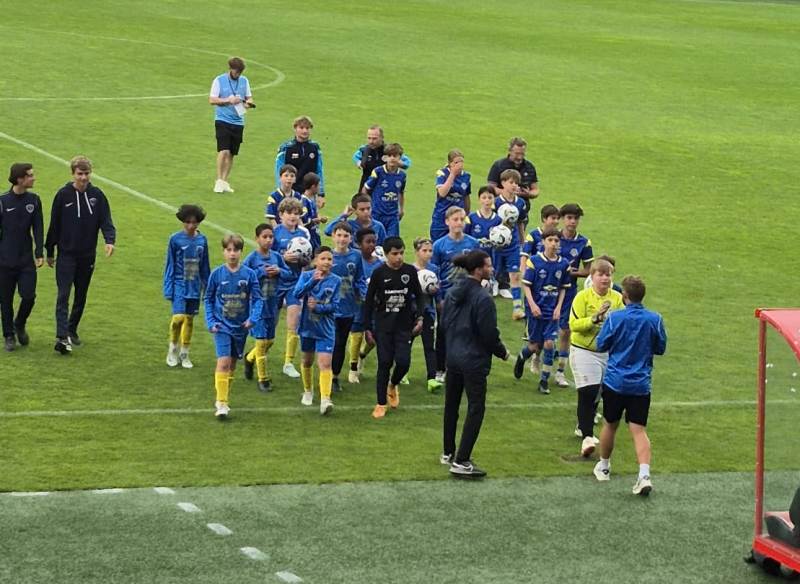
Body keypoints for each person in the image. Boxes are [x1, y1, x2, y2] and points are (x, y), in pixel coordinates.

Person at [592, 276, 667, 496]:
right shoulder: (655, 319)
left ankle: (604, 466)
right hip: (640, 384)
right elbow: (660, 348)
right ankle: (644, 475)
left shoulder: (615, 318)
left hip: (615, 382)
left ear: (624, 295)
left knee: (610, 424)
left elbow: (601, 344)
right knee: (638, 430)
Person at [441, 250, 509, 478]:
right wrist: (502, 352)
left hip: (453, 356)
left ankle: (447, 452)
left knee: (451, 405)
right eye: (488, 265)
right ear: (478, 270)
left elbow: (444, 325)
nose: (491, 268)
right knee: (475, 408)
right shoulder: (483, 298)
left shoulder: (452, 292)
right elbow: (489, 334)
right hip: (473, 360)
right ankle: (462, 460)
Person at [45, 156, 116, 355]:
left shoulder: (97, 195)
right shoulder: (63, 195)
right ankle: (62, 336)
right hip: (66, 255)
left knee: (81, 294)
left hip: (87, 255)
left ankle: (72, 329)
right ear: (73, 174)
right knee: (63, 294)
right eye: (80, 174)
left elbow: (106, 220)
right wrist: (50, 251)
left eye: (86, 173)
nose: (83, 178)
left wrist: (109, 240)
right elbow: (54, 224)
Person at [362, 236, 426, 419]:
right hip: (383, 326)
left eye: (401, 253)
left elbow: (419, 296)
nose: (399, 257)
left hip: (404, 326)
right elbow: (368, 301)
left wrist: (420, 318)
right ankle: (380, 403)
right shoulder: (379, 273)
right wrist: (367, 328)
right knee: (384, 363)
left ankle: (393, 384)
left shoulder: (409, 271)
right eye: (395, 254)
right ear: (386, 254)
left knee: (404, 362)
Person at [568, 260, 624, 457]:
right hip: (583, 350)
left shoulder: (617, 298)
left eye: (608, 274)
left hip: (607, 352)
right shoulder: (582, 297)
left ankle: (582, 425)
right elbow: (574, 325)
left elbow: (622, 323)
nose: (605, 278)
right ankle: (587, 438)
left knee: (601, 393)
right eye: (601, 274)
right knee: (588, 391)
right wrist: (594, 319)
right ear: (592, 277)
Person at [204, 234, 263, 419]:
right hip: (221, 326)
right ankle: (222, 403)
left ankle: (223, 396)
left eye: (235, 250)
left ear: (240, 252)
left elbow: (258, 299)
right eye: (228, 250)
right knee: (223, 362)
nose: (232, 254)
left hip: (240, 327)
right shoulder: (216, 274)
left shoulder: (249, 274)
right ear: (223, 252)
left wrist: (253, 319)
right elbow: (208, 299)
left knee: (232, 365)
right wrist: (211, 321)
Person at [512, 228, 571, 394]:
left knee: (549, 343)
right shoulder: (534, 262)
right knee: (535, 345)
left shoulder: (564, 264)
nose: (553, 243)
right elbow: (526, 286)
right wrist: (532, 305)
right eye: (550, 240)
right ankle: (522, 356)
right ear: (543, 242)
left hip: (552, 311)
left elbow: (563, 288)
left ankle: (544, 381)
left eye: (556, 241)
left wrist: (559, 307)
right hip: (536, 310)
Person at [432, 207, 480, 383]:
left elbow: (478, 269)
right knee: (443, 333)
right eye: (455, 219)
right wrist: (439, 299)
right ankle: (440, 369)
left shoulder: (473, 243)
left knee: (468, 332)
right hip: (447, 297)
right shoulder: (439, 245)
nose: (459, 223)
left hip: (468, 296)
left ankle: (463, 368)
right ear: (447, 222)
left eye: (462, 219)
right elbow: (434, 274)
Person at [487, 137, 540, 296]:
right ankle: (494, 281)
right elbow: (490, 187)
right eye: (517, 153)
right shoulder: (499, 166)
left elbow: (535, 191)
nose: (519, 156)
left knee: (512, 257)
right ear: (510, 150)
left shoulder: (529, 167)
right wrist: (506, 191)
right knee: (497, 255)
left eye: (522, 153)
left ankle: (504, 285)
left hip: (517, 222)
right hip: (498, 227)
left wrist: (526, 194)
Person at [242, 224, 291, 392]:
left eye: (271, 237)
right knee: (262, 342)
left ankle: (249, 358)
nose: (268, 240)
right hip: (257, 306)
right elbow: (243, 278)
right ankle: (263, 379)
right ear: (257, 239)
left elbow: (289, 274)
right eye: (265, 237)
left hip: (273, 304)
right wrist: (262, 273)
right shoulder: (252, 258)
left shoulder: (277, 257)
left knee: (269, 341)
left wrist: (279, 271)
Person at [0, 163, 43, 351]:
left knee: (29, 296)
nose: (34, 178)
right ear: (20, 179)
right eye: (30, 175)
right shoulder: (3, 201)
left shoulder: (34, 200)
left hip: (25, 260)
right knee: (5, 300)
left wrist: (39, 252)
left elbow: (38, 227)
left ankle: (19, 323)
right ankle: (9, 335)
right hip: (4, 260)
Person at [163, 204, 211, 369]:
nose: (191, 225)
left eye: (194, 222)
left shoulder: (202, 240)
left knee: (189, 319)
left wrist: (207, 288)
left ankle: (184, 353)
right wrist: (168, 287)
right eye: (188, 222)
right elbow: (170, 264)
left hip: (195, 286)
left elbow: (205, 266)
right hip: (179, 284)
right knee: (178, 318)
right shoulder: (175, 239)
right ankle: (172, 349)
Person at [294, 246, 341, 414]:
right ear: (315, 260)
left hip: (326, 329)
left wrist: (318, 308)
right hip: (307, 327)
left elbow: (335, 305)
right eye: (323, 258)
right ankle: (308, 391)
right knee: (307, 361)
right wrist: (312, 282)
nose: (326, 262)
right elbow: (297, 294)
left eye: (329, 259)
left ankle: (325, 399)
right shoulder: (307, 276)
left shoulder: (336, 280)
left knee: (325, 364)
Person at [272, 198, 311, 378]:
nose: (293, 217)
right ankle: (255, 354)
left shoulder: (303, 234)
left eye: (296, 213)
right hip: (275, 283)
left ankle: (288, 362)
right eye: (289, 213)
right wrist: (283, 258)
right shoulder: (274, 233)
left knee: (293, 323)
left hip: (295, 283)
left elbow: (309, 259)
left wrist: (303, 260)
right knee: (270, 324)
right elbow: (267, 256)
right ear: (281, 215)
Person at [555, 203, 594, 387]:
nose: (572, 222)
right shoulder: (552, 238)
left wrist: (573, 272)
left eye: (575, 218)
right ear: (563, 219)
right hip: (547, 290)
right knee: (544, 334)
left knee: (566, 330)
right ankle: (537, 357)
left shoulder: (583, 243)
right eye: (569, 218)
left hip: (569, 291)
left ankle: (560, 371)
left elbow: (589, 270)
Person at [329, 222, 366, 392]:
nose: (342, 239)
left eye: (346, 236)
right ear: (333, 236)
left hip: (349, 308)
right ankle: (327, 375)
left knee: (341, 343)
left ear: (351, 238)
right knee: (331, 343)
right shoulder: (327, 257)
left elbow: (359, 279)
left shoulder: (356, 256)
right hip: (329, 309)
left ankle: (334, 376)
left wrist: (364, 294)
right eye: (339, 235)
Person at [209, 57, 254, 194]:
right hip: (222, 120)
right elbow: (212, 100)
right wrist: (228, 100)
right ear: (230, 69)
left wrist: (248, 103)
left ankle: (224, 181)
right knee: (224, 150)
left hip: (238, 121)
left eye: (240, 72)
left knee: (232, 154)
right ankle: (218, 180)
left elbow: (249, 97)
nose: (238, 74)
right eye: (236, 72)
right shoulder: (219, 80)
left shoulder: (244, 81)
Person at [347, 228, 383, 383]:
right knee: (356, 335)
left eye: (374, 242)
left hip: (374, 307)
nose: (371, 245)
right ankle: (353, 368)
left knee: (373, 339)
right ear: (359, 243)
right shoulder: (355, 260)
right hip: (358, 305)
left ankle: (363, 354)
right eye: (368, 242)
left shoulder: (379, 264)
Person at [494, 169, 528, 319]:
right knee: (493, 273)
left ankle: (517, 308)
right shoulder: (496, 202)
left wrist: (522, 241)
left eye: (516, 183)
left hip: (513, 245)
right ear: (503, 183)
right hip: (497, 246)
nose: (514, 185)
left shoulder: (520, 203)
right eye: (511, 182)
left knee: (515, 274)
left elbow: (520, 223)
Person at [412, 237, 441, 392]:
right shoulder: (410, 269)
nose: (428, 254)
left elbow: (438, 290)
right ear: (417, 251)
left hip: (428, 312)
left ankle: (431, 378)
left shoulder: (434, 269)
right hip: (412, 312)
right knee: (407, 343)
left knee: (429, 345)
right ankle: (402, 373)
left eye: (430, 251)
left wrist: (437, 296)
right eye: (424, 250)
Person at [362, 143, 406, 237]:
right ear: (385, 158)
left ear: (400, 158)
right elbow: (366, 188)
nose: (392, 158)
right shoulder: (378, 172)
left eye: (395, 156)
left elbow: (401, 192)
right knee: (376, 240)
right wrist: (366, 207)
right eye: (389, 156)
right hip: (377, 214)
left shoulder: (402, 175)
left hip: (392, 216)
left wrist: (401, 209)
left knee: (392, 241)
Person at [275, 116, 325, 200]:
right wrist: (281, 193)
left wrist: (321, 194)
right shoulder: (286, 148)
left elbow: (319, 171)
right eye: (301, 128)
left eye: (307, 128)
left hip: (310, 194)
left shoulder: (315, 147)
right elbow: (279, 171)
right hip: (290, 193)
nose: (305, 131)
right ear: (295, 128)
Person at [464, 185, 502, 296]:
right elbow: (466, 236)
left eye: (490, 197)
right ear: (479, 199)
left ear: (494, 199)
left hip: (491, 255)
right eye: (484, 197)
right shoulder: (471, 217)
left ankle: (493, 281)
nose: (487, 200)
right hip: (475, 255)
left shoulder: (498, 219)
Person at [352, 125, 412, 191]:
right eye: (369, 138)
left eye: (374, 138)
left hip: (384, 187)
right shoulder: (364, 150)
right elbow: (355, 156)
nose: (371, 141)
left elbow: (407, 162)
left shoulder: (389, 150)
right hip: (366, 187)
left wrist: (396, 162)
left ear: (382, 138)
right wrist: (358, 162)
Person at [430, 150, 471, 241]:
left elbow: (466, 196)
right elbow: (442, 193)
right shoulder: (442, 173)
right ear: (450, 163)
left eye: (461, 162)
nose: (459, 165)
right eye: (456, 162)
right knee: (438, 244)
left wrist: (466, 214)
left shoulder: (466, 176)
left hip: (457, 217)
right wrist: (452, 174)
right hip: (441, 216)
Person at [300, 173, 326, 249]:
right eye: (318, 186)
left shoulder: (312, 200)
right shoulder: (304, 202)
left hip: (315, 235)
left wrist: (320, 218)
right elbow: (304, 221)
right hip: (308, 237)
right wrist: (319, 219)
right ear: (313, 187)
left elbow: (315, 214)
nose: (319, 188)